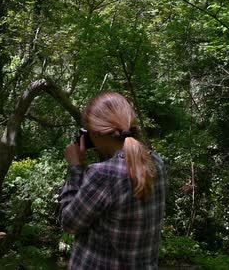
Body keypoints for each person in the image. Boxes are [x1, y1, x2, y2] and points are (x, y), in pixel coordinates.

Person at [58, 91, 167, 269]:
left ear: (97, 133)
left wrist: (76, 168)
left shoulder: (103, 174)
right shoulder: (157, 162)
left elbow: (69, 223)